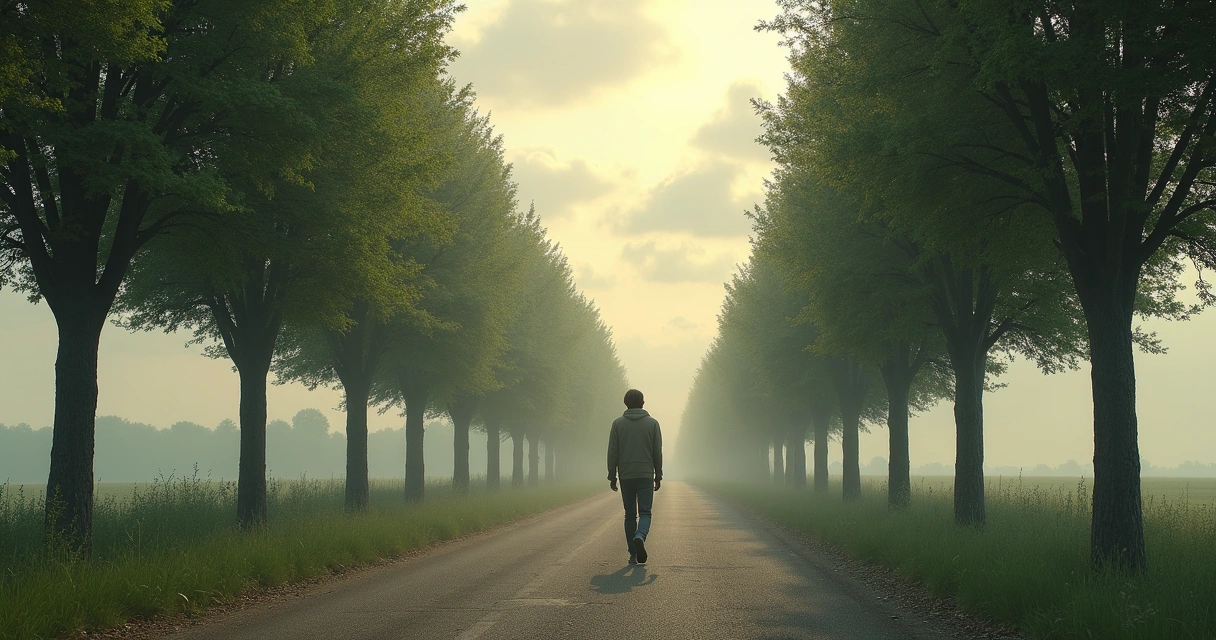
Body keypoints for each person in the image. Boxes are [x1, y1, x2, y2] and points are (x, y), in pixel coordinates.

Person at [607, 388, 663, 565]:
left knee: (630, 515)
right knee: (645, 512)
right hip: (645, 474)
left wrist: (612, 474)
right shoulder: (653, 424)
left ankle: (632, 552)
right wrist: (658, 474)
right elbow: (657, 452)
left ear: (625, 403)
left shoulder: (617, 424)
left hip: (626, 475)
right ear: (642, 403)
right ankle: (640, 536)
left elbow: (613, 452)